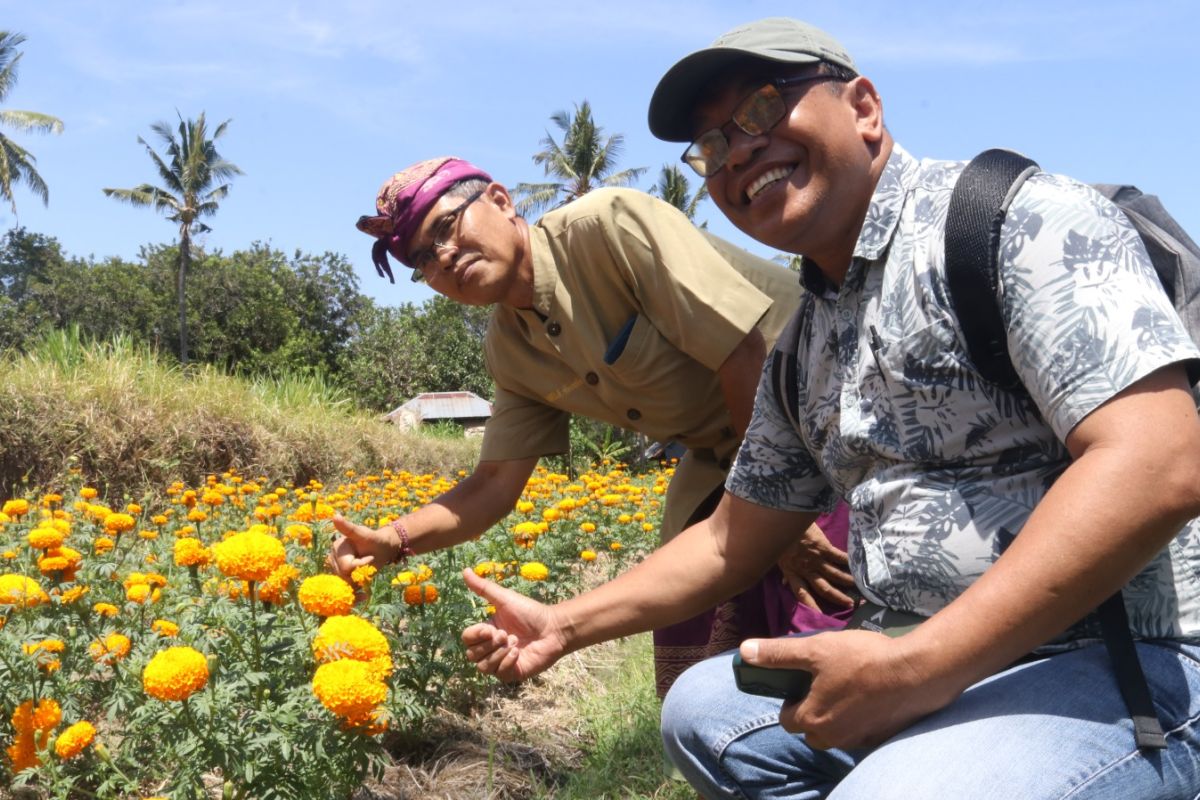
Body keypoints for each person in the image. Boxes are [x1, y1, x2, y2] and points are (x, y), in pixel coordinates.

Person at [458, 17, 1200, 799]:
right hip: (929, 657)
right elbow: (729, 542)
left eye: (762, 107)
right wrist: (563, 624)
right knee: (704, 712)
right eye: (712, 145)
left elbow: (1158, 465)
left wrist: (917, 668)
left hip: (1122, 658)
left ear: (864, 108)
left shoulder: (1013, 221)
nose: (737, 151)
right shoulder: (804, 343)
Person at [332, 155, 856, 698]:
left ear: (501, 201)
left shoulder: (606, 226)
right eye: (422, 259)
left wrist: (776, 516)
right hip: (724, 456)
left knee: (830, 632)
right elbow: (493, 486)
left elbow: (743, 352)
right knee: (697, 667)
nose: (442, 255)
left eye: (446, 226)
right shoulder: (510, 349)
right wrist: (392, 540)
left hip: (826, 403)